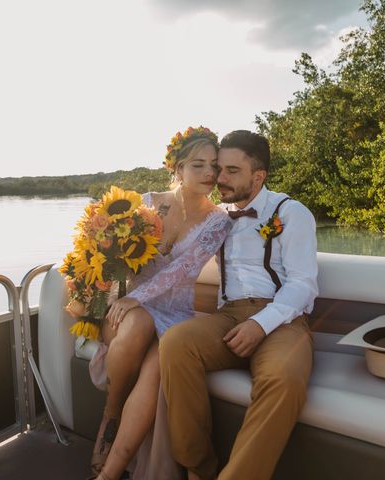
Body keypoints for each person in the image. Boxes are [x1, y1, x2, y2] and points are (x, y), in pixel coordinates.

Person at [159, 130, 318, 480]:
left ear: (257, 176)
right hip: (227, 317)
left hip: (281, 321)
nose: (219, 178)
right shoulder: (218, 218)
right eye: (219, 168)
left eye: (231, 170)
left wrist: (260, 324)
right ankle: (197, 468)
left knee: (283, 380)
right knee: (175, 343)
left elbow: (303, 284)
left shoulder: (291, 213)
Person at [87, 127, 233, 480]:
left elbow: (184, 268)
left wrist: (138, 297)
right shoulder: (145, 203)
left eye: (214, 166)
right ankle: (112, 413)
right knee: (137, 323)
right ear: (177, 168)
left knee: (157, 367)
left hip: (173, 315)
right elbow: (99, 253)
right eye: (198, 165)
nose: (209, 174)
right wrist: (111, 296)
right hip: (126, 310)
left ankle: (109, 472)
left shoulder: (219, 221)